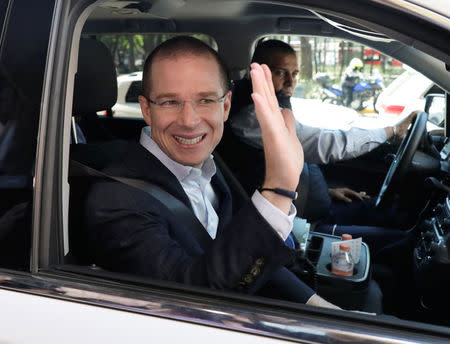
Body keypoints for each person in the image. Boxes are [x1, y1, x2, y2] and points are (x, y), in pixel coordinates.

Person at [84, 36, 345, 310]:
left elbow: (239, 248)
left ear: (226, 106)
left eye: (206, 100)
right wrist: (278, 189)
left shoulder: (207, 163)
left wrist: (321, 307)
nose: (189, 121)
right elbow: (195, 304)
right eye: (170, 102)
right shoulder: (116, 202)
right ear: (147, 110)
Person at [219, 39, 417, 252]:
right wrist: (392, 131)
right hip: (304, 223)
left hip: (311, 205)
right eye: (280, 73)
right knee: (403, 241)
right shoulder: (253, 116)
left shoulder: (273, 107)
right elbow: (327, 144)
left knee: (391, 211)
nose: (290, 82)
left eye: (294, 74)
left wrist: (328, 191)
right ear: (256, 74)